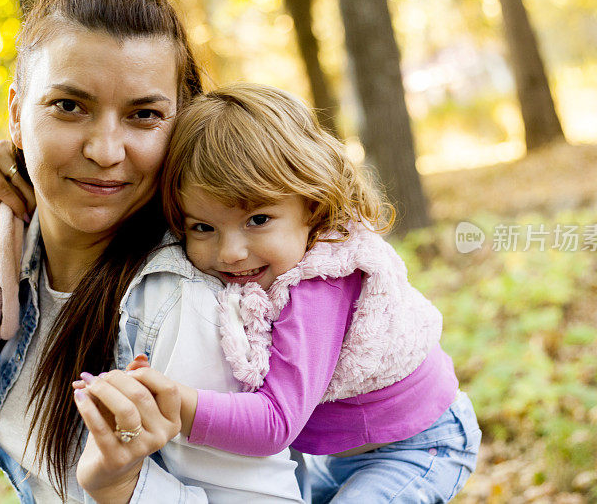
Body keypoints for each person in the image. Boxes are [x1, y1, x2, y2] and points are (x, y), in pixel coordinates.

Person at [0, 0, 304, 503]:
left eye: (143, 115)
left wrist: (123, 487)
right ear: (16, 113)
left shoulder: (180, 304)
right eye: (69, 106)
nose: (105, 150)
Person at [148, 83, 482, 502]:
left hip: (417, 446)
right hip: (343, 454)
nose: (231, 253)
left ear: (312, 203)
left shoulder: (320, 284)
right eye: (203, 227)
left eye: (258, 219)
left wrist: (176, 401)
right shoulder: (270, 263)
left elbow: (275, 422)